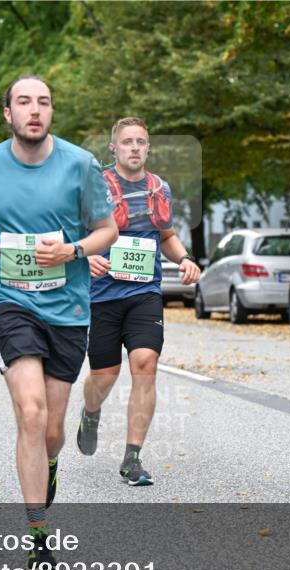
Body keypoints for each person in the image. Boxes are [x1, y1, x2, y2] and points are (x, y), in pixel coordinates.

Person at [0, 75, 117, 569]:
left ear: (51, 112)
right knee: (32, 413)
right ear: (8, 113)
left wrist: (72, 250)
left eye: (43, 102)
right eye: (24, 102)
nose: (34, 110)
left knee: (52, 430)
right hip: (9, 301)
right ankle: (39, 536)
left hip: (68, 308)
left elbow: (108, 229)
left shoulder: (81, 164)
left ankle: (51, 462)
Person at [75, 117, 201, 486]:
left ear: (148, 147)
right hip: (101, 295)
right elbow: (74, 233)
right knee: (104, 375)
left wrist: (185, 258)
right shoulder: (95, 187)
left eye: (140, 142)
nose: (134, 148)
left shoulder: (159, 188)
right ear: (113, 147)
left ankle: (132, 457)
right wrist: (85, 256)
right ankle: (91, 411)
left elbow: (166, 235)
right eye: (127, 141)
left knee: (145, 364)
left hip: (144, 293)